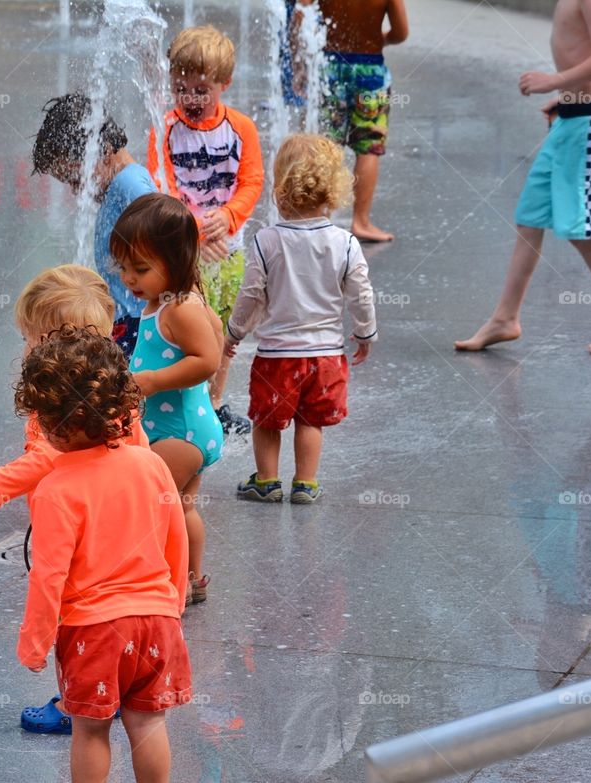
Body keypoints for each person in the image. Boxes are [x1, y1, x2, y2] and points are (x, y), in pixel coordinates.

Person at [0, 265, 149, 735]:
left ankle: (75, 698)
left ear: (52, 344)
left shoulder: (59, 406)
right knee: (116, 610)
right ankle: (117, 685)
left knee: (76, 615)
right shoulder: (114, 395)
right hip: (122, 526)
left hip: (77, 526)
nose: (22, 350)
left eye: (27, 340)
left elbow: (43, 459)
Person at [15, 324, 192, 783]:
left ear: (52, 423)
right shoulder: (150, 464)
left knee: (90, 732)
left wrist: (35, 642)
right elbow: (176, 538)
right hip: (156, 621)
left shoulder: (56, 488)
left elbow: (49, 574)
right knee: (148, 722)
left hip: (94, 630)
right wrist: (172, 602)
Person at [455, 0, 591, 357]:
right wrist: (566, 96)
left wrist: (553, 81)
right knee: (531, 215)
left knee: (581, 229)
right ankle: (505, 318)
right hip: (574, 118)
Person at [225, 134, 376, 503]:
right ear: (332, 190)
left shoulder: (267, 241)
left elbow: (251, 295)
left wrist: (234, 333)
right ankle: (305, 483)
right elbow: (361, 292)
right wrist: (364, 332)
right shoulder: (345, 242)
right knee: (310, 421)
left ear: (281, 187)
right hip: (326, 357)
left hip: (277, 357)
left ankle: (267, 480)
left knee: (267, 421)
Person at [148, 25, 265, 435]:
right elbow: (162, 185)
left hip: (228, 249)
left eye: (202, 89)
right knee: (185, 325)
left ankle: (213, 404)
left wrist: (230, 216)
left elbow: (252, 181)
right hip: (181, 251)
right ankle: (181, 398)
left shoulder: (241, 129)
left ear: (224, 84)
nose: (191, 99)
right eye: (182, 89)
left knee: (224, 332)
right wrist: (196, 230)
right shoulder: (164, 129)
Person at [111, 193, 224, 604]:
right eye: (123, 267)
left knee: (153, 506)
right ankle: (192, 577)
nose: (129, 278)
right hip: (186, 426)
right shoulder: (169, 300)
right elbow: (220, 333)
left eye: (141, 268)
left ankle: (163, 583)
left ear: (176, 260)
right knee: (180, 506)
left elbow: (209, 357)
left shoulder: (178, 309)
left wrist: (156, 380)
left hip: (181, 432)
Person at [32, 93, 156, 357]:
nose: (79, 192)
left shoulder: (130, 187)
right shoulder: (120, 186)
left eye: (77, 179)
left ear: (106, 151)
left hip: (136, 325)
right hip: (127, 321)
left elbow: (166, 246)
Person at [294, 0, 408, 243]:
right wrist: (380, 39)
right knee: (368, 148)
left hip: (330, 67)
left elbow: (299, 14)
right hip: (370, 72)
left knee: (326, 146)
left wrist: (300, 59)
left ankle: (319, 217)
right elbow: (401, 33)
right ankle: (361, 221)